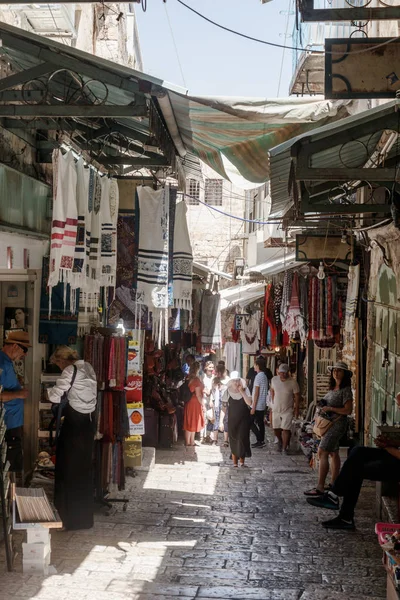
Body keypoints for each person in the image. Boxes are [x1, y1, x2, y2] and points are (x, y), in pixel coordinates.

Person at [307, 393, 400, 530]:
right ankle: (335, 496)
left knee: (356, 470)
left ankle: (343, 512)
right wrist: (390, 442)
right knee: (357, 452)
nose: (398, 406)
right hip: (393, 454)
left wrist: (387, 446)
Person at [48, 346, 97, 531]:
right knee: (82, 471)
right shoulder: (88, 367)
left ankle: (67, 518)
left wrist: (48, 392)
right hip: (87, 426)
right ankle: (83, 519)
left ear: (63, 360)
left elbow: (54, 396)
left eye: (58, 364)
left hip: (74, 427)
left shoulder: (70, 370)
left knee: (67, 471)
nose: (59, 367)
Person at [304, 362, 353, 498]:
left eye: (339, 371)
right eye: (334, 370)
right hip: (330, 423)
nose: (336, 373)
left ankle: (320, 486)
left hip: (336, 425)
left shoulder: (346, 390)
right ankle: (334, 483)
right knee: (333, 453)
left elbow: (348, 410)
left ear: (345, 374)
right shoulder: (333, 388)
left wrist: (330, 408)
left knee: (322, 451)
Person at [0, 331, 30, 473]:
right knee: (12, 466)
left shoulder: (6, 362)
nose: (25, 354)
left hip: (12, 422)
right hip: (8, 424)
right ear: (15, 346)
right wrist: (19, 393)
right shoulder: (2, 363)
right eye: (25, 350)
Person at [270, 363, 300, 454]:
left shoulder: (293, 382)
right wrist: (272, 400)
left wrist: (296, 409)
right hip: (276, 408)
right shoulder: (274, 380)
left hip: (288, 409)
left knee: (286, 429)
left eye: (284, 373)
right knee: (276, 428)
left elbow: (297, 396)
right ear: (278, 372)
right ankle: (280, 441)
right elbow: (272, 389)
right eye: (281, 373)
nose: (282, 375)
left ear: (288, 372)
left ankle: (284, 448)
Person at [225, 371, 252, 467]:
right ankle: (235, 463)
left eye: (237, 380)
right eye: (234, 381)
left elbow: (249, 403)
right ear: (231, 382)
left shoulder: (245, 389)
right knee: (233, 439)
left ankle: (242, 462)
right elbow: (224, 405)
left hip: (244, 419)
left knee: (242, 438)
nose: (236, 383)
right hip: (232, 420)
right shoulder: (227, 390)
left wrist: (242, 391)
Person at [183, 361, 205, 447]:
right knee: (192, 421)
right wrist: (203, 405)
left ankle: (190, 441)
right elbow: (198, 395)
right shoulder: (196, 380)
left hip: (190, 402)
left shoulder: (189, 378)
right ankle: (189, 442)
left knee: (190, 421)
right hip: (195, 403)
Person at [250, 358, 269, 449]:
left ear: (258, 366)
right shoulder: (264, 376)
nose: (254, 366)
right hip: (262, 403)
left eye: (255, 365)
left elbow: (256, 392)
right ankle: (261, 441)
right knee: (260, 423)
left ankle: (259, 438)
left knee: (250, 422)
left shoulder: (258, 376)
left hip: (257, 404)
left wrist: (253, 406)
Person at [210, 364, 230, 446]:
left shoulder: (228, 380)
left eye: (217, 372)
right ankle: (215, 439)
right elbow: (212, 391)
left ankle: (226, 441)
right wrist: (211, 400)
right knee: (216, 419)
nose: (216, 373)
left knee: (226, 420)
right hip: (217, 403)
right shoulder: (214, 380)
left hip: (226, 403)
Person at [201, 361, 215, 444]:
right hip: (203, 398)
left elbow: (214, 389)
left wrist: (211, 399)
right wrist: (204, 390)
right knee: (204, 417)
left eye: (212, 367)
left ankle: (210, 435)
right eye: (210, 367)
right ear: (206, 368)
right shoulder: (202, 376)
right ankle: (203, 436)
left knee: (211, 418)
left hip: (211, 400)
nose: (211, 369)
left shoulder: (214, 377)